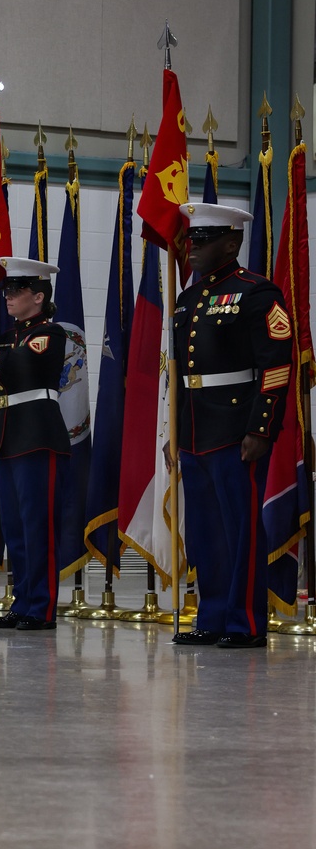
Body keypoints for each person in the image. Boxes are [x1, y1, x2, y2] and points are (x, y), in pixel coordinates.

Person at [169, 203, 292, 648]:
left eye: (203, 241)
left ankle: (245, 623)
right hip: (196, 428)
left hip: (236, 426)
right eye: (190, 241)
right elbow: (180, 374)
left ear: (232, 242)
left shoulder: (258, 293)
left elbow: (277, 365)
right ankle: (213, 615)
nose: (193, 249)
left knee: (240, 530)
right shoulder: (185, 300)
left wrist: (261, 428)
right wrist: (175, 431)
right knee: (205, 532)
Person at [0, 257, 69, 631]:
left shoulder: (51, 332)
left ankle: (42, 607)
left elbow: (19, 366)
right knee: (15, 528)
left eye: (16, 291)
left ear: (38, 296)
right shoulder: (14, 337)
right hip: (8, 439)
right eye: (6, 291)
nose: (8, 298)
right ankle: (23, 602)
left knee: (37, 525)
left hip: (37, 437)